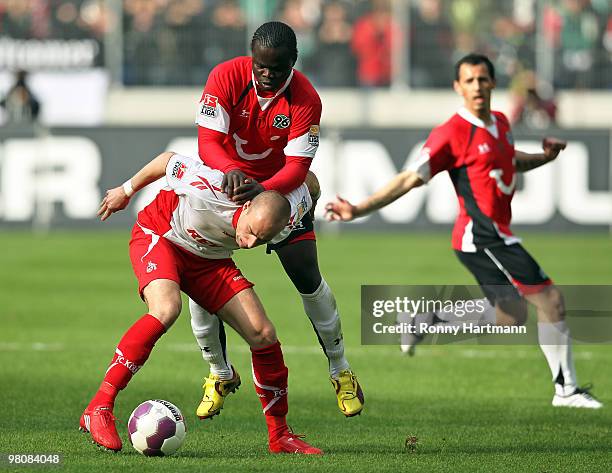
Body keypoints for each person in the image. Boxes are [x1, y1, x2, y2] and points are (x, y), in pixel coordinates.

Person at [325, 53, 602, 409]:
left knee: (510, 314)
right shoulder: (451, 133)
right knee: (550, 299)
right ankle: (566, 390)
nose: (477, 86)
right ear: (458, 87)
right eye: (469, 80)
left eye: (482, 79)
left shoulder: (500, 122)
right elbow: (410, 177)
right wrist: (359, 208)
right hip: (481, 236)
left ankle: (423, 320)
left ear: (492, 83)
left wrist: (544, 158)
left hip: (493, 234)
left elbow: (510, 159)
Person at [79, 151, 322, 454]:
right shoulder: (213, 186)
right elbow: (167, 161)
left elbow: (310, 184)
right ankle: (99, 406)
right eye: (250, 232)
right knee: (166, 309)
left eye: (260, 240)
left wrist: (310, 196)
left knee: (263, 334)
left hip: (209, 259)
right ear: (245, 206)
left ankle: (280, 435)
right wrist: (125, 191)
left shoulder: (287, 214)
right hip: (162, 235)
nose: (248, 243)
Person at [191, 20, 363, 420]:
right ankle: (219, 373)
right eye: (261, 66)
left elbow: (299, 167)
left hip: (278, 190)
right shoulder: (227, 76)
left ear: (294, 62)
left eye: (277, 68)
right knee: (199, 280)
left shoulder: (306, 99)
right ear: (252, 58)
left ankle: (341, 371)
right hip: (226, 183)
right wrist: (233, 173)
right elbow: (207, 142)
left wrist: (263, 188)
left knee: (307, 276)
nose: (267, 75)